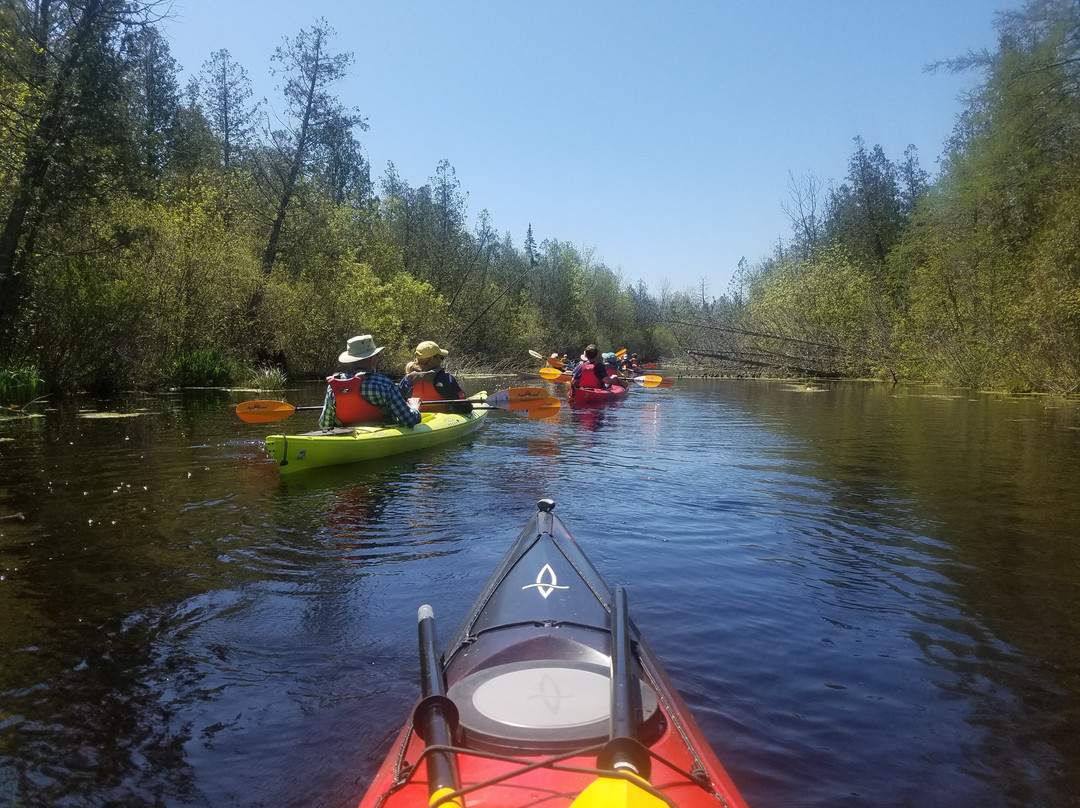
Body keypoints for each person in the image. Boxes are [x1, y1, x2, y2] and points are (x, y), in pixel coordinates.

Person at [318, 335, 422, 430]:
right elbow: (409, 420)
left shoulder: (334, 386)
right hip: (381, 437)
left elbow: (324, 424)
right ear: (372, 359)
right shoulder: (384, 383)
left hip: (348, 436)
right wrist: (414, 407)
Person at [398, 340, 471, 414]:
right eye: (441, 357)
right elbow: (464, 408)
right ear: (433, 359)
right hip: (442, 421)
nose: (441, 360)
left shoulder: (407, 380)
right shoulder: (446, 379)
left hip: (417, 418)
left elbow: (399, 406)